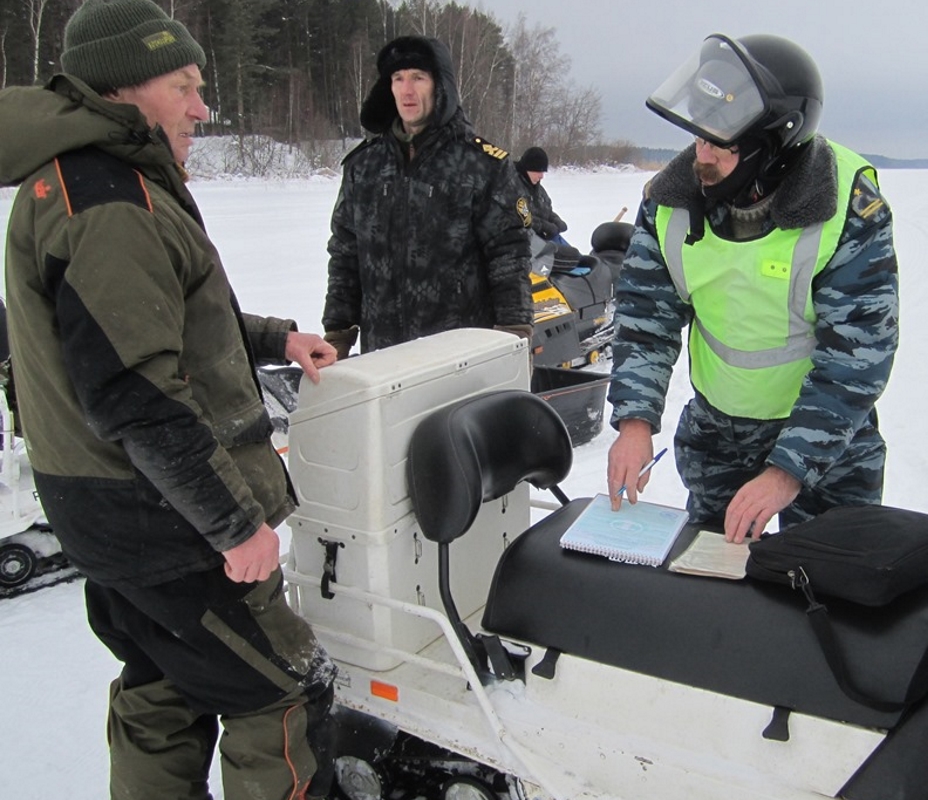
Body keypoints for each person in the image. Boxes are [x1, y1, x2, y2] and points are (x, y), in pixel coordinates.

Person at [0, 1, 338, 797]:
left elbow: (163, 320)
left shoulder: (87, 182)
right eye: (184, 87)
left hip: (111, 518)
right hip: (170, 525)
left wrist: (274, 338)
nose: (201, 107)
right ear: (123, 90)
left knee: (162, 684)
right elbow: (133, 391)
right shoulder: (109, 201)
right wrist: (233, 524)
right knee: (282, 688)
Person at [606, 34, 899, 544]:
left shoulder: (847, 205)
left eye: (721, 142)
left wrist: (787, 470)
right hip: (719, 438)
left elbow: (859, 353)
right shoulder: (669, 202)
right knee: (719, 589)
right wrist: (635, 422)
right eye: (699, 134)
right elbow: (645, 318)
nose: (702, 154)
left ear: (773, 146)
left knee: (830, 589)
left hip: (828, 445)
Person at [322, 35, 534, 358]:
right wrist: (337, 333)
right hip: (382, 360)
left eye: (418, 78)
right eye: (398, 78)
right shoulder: (363, 167)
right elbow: (345, 254)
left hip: (458, 361)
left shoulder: (482, 165)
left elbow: (509, 256)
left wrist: (514, 335)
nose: (407, 90)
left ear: (440, 85)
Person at [515, 146, 568, 242]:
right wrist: (544, 226)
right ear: (528, 169)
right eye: (539, 171)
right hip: (523, 242)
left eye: (543, 172)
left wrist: (555, 220)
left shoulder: (537, 188)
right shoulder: (512, 187)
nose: (542, 176)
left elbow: (546, 210)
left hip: (543, 239)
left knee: (572, 254)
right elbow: (520, 218)